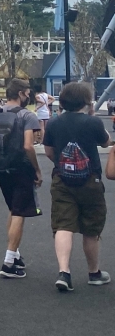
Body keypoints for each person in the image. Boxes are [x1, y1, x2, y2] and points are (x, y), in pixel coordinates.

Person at [43, 81, 112, 291]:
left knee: (64, 225)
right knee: (91, 228)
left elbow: (48, 150)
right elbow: (106, 142)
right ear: (86, 102)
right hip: (90, 180)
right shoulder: (92, 123)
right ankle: (94, 272)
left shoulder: (54, 123)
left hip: (62, 179)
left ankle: (64, 272)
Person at [0, 78, 43, 279]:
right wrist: (37, 170)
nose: (28, 96)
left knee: (13, 208)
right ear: (20, 94)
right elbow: (28, 146)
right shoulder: (27, 116)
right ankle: (9, 261)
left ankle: (15, 253)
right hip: (19, 168)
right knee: (20, 211)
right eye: (27, 93)